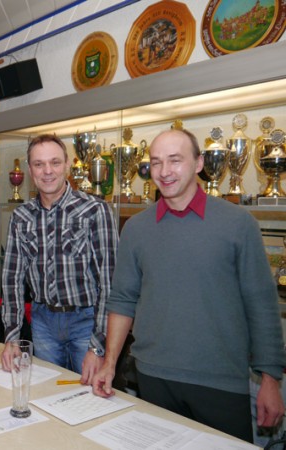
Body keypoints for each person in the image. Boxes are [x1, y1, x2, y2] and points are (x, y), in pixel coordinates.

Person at [92, 129, 285, 442]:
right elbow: (122, 300)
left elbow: (261, 304)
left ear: (199, 163)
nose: (164, 171)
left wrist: (270, 379)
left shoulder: (238, 224)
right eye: (156, 162)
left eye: (175, 160)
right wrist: (109, 363)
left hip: (221, 382)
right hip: (152, 377)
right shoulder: (136, 229)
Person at [0, 134, 118, 381]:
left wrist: (99, 345)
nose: (47, 171)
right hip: (43, 322)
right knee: (46, 392)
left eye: (54, 162)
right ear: (30, 170)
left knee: (89, 394)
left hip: (87, 322)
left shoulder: (95, 211)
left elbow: (110, 283)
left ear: (66, 165)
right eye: (39, 164)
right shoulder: (21, 217)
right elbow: (12, 280)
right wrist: (12, 336)